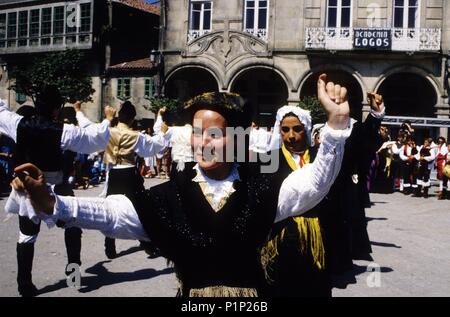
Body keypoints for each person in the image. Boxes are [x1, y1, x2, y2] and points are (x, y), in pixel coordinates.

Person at [10, 74, 351, 297]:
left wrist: (336, 124)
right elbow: (113, 213)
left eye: (215, 134)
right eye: (198, 133)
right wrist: (51, 201)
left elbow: (313, 184)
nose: (204, 142)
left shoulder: (260, 190)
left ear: (235, 140)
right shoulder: (171, 195)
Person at [0, 87, 115, 297]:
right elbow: (96, 139)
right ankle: (73, 277)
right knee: (72, 227)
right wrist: (107, 120)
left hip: (28, 189)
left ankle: (24, 284)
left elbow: (0, 113)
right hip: (57, 189)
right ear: (56, 110)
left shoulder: (18, 124)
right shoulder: (64, 131)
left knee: (26, 236)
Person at [99, 101, 168, 259]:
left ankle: (109, 248)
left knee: (110, 208)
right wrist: (163, 134)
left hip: (113, 173)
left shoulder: (108, 131)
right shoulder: (134, 135)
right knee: (141, 208)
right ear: (131, 119)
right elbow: (151, 147)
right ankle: (148, 245)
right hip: (128, 173)